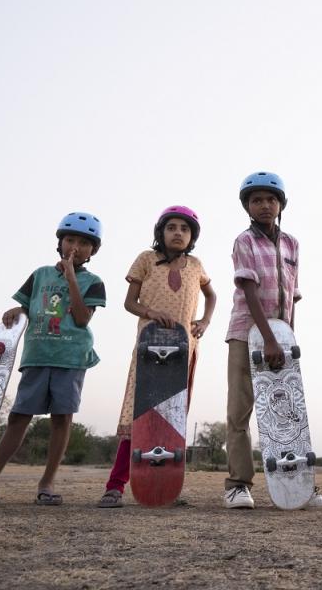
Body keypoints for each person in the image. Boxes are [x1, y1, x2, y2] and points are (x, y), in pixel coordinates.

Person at [0, 212, 107, 505]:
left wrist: (71, 277)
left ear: (93, 251)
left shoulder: (93, 282)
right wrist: (17, 310)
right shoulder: (40, 274)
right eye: (70, 239)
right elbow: (27, 306)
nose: (76, 246)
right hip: (37, 355)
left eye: (84, 243)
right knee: (19, 416)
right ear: (59, 242)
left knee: (61, 418)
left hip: (70, 357)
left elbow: (82, 319)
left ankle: (46, 483)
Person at [223, 172, 322, 511]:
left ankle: (300, 486)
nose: (264, 205)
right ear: (247, 206)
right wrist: (268, 339)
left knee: (289, 414)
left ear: (280, 204)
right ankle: (238, 485)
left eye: (270, 199)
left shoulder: (291, 244)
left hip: (281, 339)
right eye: (256, 200)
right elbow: (248, 289)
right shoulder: (244, 241)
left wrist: (287, 340)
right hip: (247, 333)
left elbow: (291, 296)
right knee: (240, 411)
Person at [97, 206, 216, 508]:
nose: (178, 233)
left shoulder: (196, 265)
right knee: (138, 414)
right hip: (149, 347)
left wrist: (204, 321)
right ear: (160, 232)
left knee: (172, 418)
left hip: (184, 348)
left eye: (184, 229)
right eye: (172, 227)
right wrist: (151, 313)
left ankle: (165, 486)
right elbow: (129, 302)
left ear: (192, 236)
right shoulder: (146, 259)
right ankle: (115, 486)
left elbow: (212, 295)